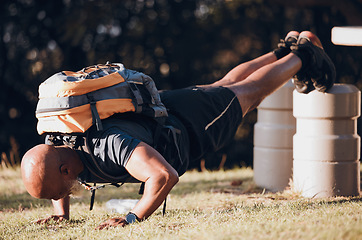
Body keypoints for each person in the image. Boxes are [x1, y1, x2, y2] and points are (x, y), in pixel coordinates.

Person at [21, 31, 335, 229]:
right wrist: (62, 214)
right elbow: (52, 169)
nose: (63, 196)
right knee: (225, 87)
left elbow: (163, 175)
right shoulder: (59, 137)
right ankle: (286, 49)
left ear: (65, 169)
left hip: (192, 125)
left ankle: (304, 56)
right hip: (168, 109)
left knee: (248, 94)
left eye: (61, 192)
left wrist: (133, 218)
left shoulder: (108, 143)